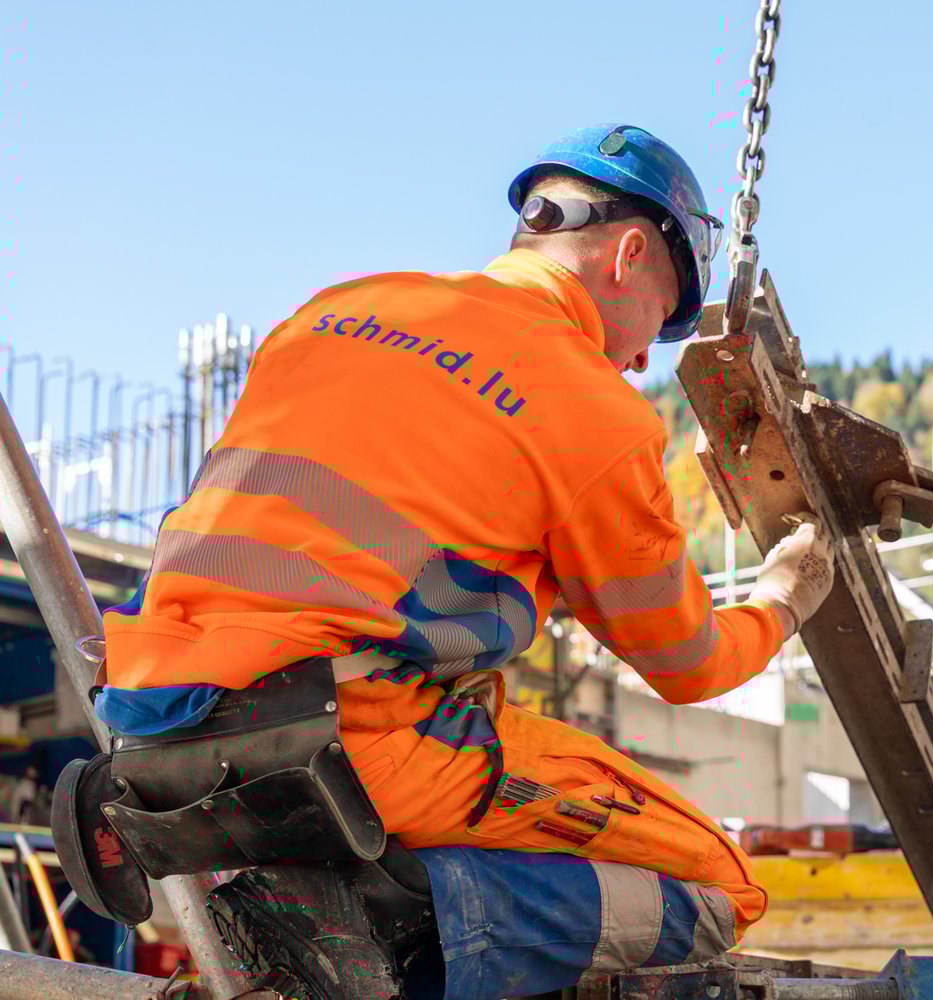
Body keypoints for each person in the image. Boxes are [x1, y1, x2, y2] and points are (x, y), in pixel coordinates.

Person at [93, 124, 836, 999]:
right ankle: (394, 921)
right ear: (630, 253)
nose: (641, 359)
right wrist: (784, 598)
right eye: (658, 325)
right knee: (722, 885)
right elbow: (684, 661)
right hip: (338, 735)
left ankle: (332, 897)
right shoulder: (592, 409)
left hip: (148, 711)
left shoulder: (335, 309)